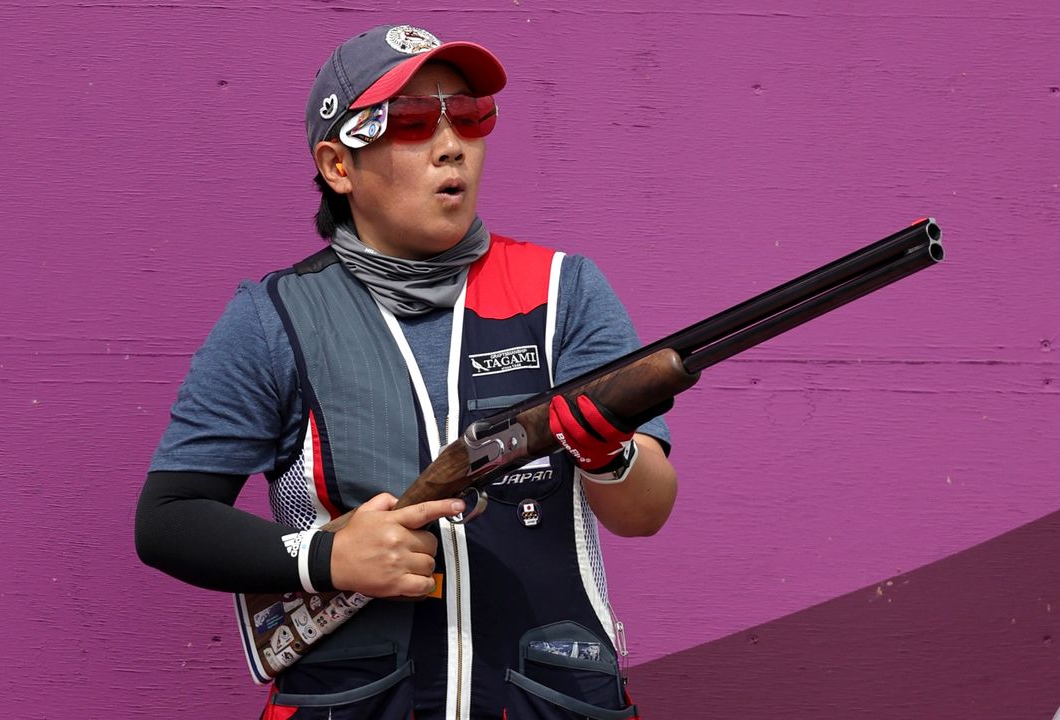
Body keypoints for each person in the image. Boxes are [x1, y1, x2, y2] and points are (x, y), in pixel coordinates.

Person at [135, 23, 676, 720]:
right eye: (412, 121)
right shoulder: (273, 317)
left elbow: (647, 511)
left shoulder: (564, 290)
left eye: (471, 116)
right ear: (338, 165)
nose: (452, 144)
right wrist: (325, 560)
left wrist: (609, 452)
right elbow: (168, 520)